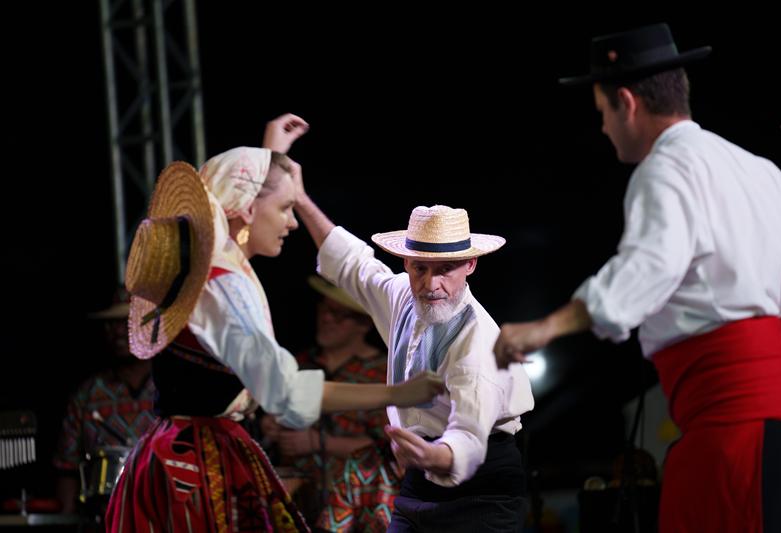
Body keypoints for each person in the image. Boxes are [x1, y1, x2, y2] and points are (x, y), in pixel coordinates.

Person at [493, 23, 781, 533]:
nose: (603, 128)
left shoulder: (666, 168)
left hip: (735, 418)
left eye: (602, 112)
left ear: (627, 103)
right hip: (779, 413)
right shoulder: (763, 173)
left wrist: (545, 327)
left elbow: (650, 263)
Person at [104, 114, 444, 533]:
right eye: (285, 208)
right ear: (246, 208)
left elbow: (234, 206)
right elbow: (286, 394)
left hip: (171, 451)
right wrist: (399, 392)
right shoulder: (224, 286)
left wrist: (269, 159)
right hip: (197, 465)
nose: (292, 222)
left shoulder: (207, 266)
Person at [291, 162, 535, 532]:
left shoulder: (479, 344)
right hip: (419, 478)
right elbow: (353, 265)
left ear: (470, 265)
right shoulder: (404, 296)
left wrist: (434, 455)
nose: (431, 284)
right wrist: (300, 199)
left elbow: (469, 436)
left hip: (481, 487)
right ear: (406, 262)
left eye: (445, 269)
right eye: (420, 268)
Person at [264, 274, 399, 532]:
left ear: (363, 324)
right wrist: (271, 425)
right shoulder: (300, 363)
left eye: (338, 314)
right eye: (324, 309)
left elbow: (389, 446)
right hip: (295, 498)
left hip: (354, 503)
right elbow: (274, 414)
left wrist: (316, 442)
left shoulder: (382, 374)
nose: (326, 318)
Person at [54, 291, 155, 517]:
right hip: (104, 518)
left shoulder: (170, 389)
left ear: (147, 327)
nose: (117, 331)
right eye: (111, 324)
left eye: (125, 322)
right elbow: (67, 468)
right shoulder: (88, 395)